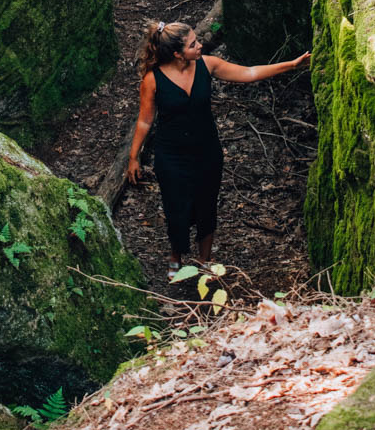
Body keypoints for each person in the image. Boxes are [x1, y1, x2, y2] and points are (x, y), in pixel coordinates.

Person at [126, 20, 310, 280]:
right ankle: (176, 255)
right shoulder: (152, 80)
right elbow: (145, 120)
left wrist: (290, 65)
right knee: (175, 208)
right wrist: (134, 157)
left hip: (206, 151)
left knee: (206, 205)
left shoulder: (207, 65)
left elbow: (249, 73)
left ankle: (204, 260)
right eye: (193, 44)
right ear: (177, 54)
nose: (199, 45)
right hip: (171, 155)